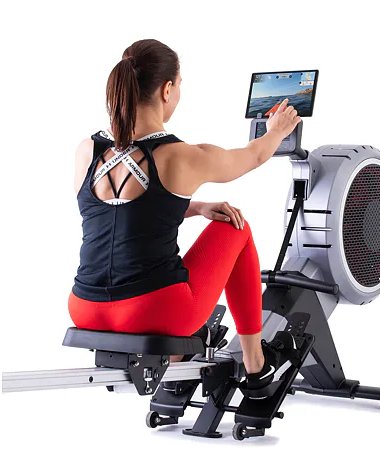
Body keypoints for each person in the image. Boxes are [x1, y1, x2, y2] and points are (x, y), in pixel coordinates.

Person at [68, 39, 301, 392]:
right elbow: (253, 156)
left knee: (215, 223)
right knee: (236, 229)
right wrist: (278, 130)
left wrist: (197, 207)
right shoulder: (181, 155)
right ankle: (257, 364)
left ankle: (183, 353)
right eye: (179, 84)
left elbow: (119, 215)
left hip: (85, 306)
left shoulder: (88, 150)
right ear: (167, 90)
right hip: (153, 311)